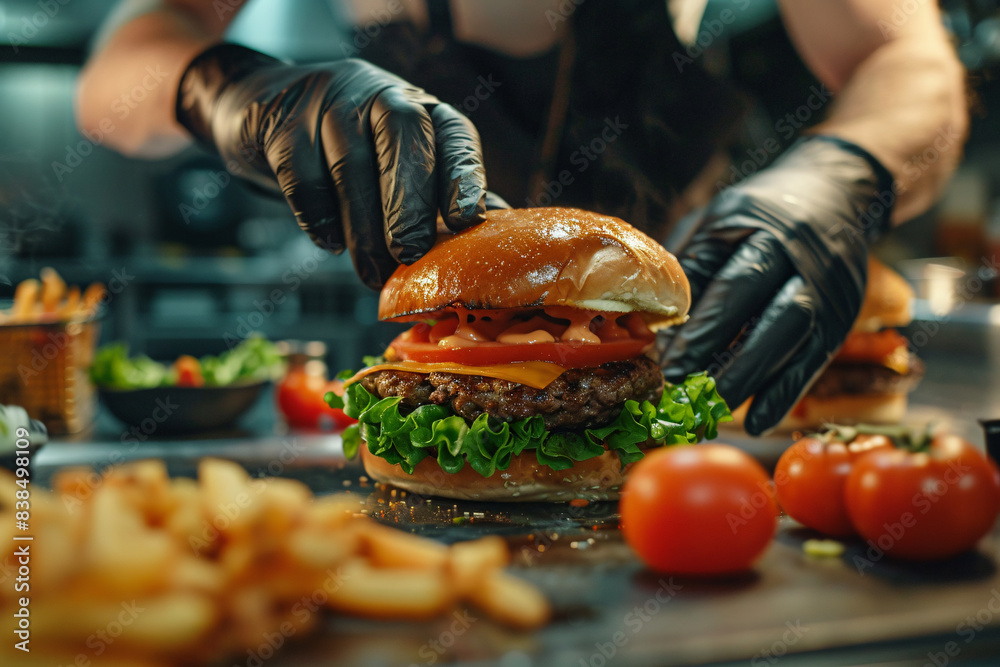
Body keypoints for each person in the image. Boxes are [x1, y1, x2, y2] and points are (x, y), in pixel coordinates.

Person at [76, 0, 968, 435]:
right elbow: (117, 70)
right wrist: (225, 85)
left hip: (686, 352)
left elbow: (909, 57)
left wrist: (848, 171)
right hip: (437, 345)